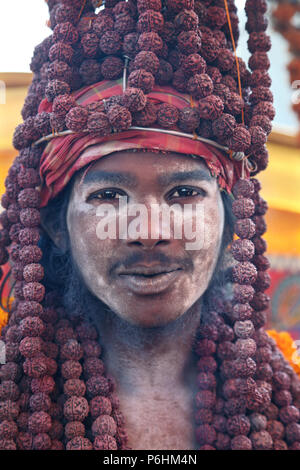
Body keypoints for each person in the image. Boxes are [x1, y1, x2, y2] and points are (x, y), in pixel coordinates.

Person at [1, 0, 300, 451]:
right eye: (106, 196)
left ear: (229, 217)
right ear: (56, 226)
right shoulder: (12, 397)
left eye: (184, 194)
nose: (149, 230)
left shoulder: (285, 390)